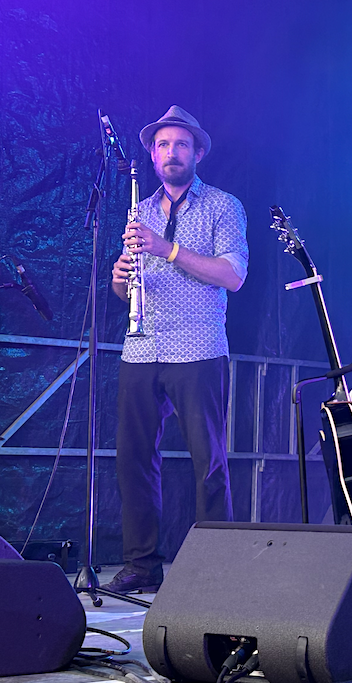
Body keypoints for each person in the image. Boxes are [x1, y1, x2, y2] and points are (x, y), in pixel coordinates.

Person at [102, 105, 249, 594]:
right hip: (141, 348)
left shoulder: (223, 206)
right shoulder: (139, 211)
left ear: (197, 153)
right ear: (151, 154)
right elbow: (127, 290)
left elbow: (233, 275)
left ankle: (217, 572)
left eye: (181, 144)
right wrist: (120, 278)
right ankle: (142, 565)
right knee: (134, 460)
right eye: (162, 145)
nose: (171, 152)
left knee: (208, 464)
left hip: (198, 346)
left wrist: (167, 249)